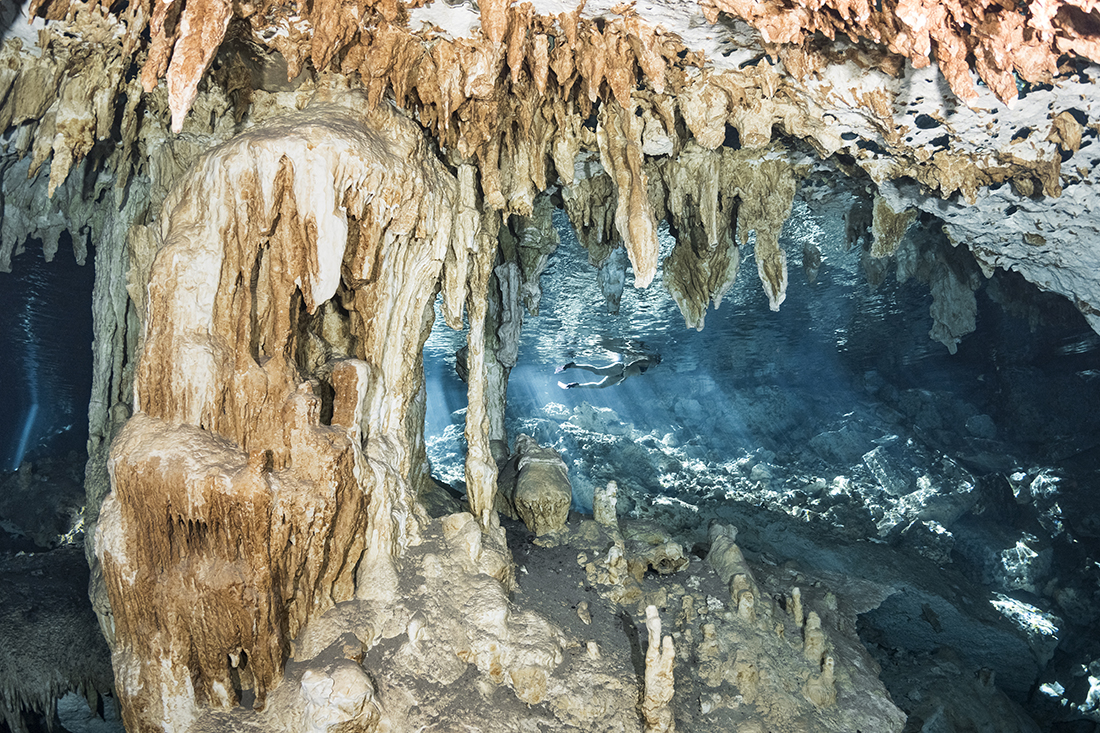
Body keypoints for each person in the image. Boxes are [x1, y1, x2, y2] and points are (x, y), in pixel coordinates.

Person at [556, 353, 660, 389]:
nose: (656, 364)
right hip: (619, 368)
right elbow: (634, 364)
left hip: (620, 375)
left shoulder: (648, 367)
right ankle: (573, 365)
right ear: (654, 359)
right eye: (657, 361)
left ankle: (574, 385)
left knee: (600, 386)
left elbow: (632, 371)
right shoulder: (646, 362)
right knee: (597, 371)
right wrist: (627, 368)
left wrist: (624, 379)